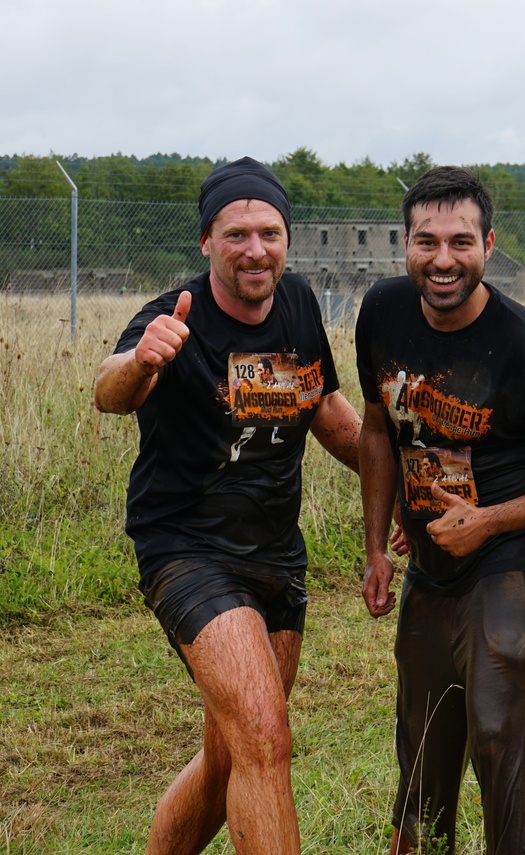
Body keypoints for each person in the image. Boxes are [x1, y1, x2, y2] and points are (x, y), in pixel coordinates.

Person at [93, 157, 362, 855]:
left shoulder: (299, 303)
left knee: (231, 755)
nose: (254, 249)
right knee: (267, 736)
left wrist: (396, 483)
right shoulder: (173, 315)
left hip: (276, 553)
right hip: (187, 550)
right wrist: (142, 361)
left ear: (287, 239)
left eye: (269, 232)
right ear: (206, 241)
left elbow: (325, 404)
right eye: (235, 233)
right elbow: (109, 390)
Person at [356, 165, 525, 855]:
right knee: (424, 743)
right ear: (404, 243)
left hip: (520, 549)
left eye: (461, 242)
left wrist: (489, 521)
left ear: (489, 244)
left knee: (504, 730)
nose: (443, 260)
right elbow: (377, 426)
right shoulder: (380, 313)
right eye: (427, 241)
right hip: (437, 556)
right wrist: (378, 543)